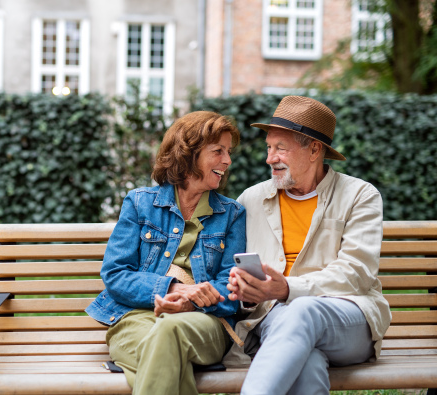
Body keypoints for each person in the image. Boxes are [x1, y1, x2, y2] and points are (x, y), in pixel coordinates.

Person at [223, 96, 391, 395]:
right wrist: (248, 292)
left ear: (314, 149)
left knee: (303, 309)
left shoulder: (359, 196)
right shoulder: (251, 199)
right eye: (269, 147)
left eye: (281, 149)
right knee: (308, 361)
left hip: (347, 317)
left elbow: (357, 273)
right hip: (273, 319)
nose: (269, 158)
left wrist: (287, 288)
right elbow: (233, 271)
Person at [86, 111, 246, 395]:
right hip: (135, 316)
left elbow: (230, 287)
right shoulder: (139, 203)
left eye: (228, 152)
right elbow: (115, 273)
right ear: (189, 152)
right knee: (165, 355)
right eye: (218, 151)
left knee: (169, 331)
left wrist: (193, 301)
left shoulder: (232, 214)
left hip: (203, 321)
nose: (228, 161)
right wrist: (171, 288)